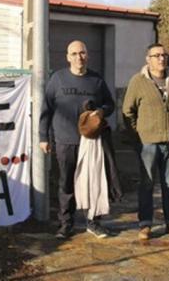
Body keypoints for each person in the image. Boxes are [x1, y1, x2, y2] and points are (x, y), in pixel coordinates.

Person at [39, 40, 115, 239]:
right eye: (74, 54)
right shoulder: (57, 79)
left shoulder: (96, 80)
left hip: (91, 141)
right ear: (67, 57)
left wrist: (100, 111)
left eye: (82, 53)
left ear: (87, 55)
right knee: (66, 184)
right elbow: (46, 110)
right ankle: (66, 224)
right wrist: (43, 137)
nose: (78, 57)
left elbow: (110, 104)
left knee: (93, 183)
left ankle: (93, 222)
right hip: (65, 140)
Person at [122, 43, 169, 240]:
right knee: (147, 184)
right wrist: (138, 137)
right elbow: (127, 111)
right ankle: (145, 224)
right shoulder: (138, 81)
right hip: (147, 143)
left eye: (164, 55)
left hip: (168, 141)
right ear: (147, 59)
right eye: (156, 55)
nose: (161, 58)